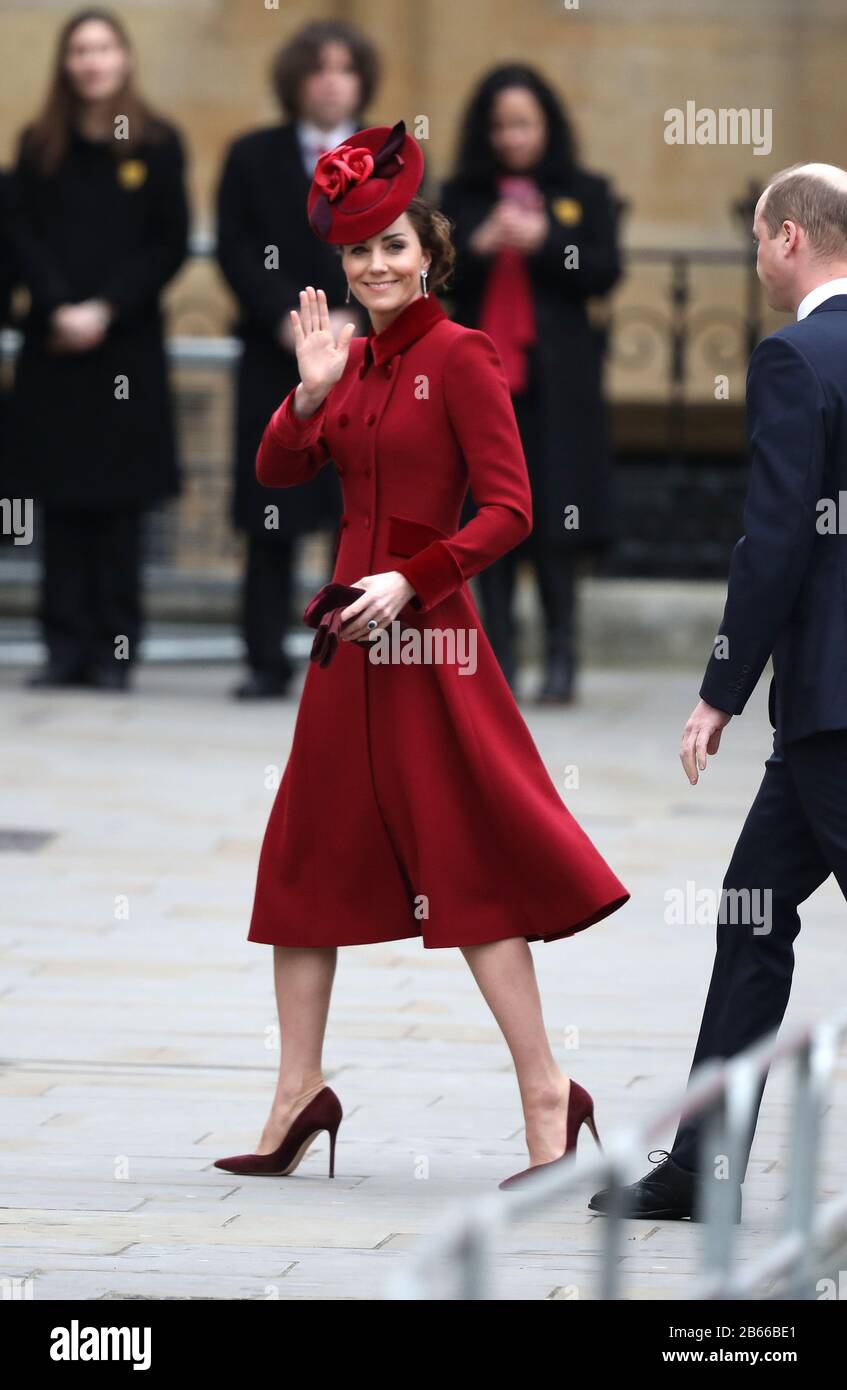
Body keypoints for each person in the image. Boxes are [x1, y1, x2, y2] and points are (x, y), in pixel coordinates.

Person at [214, 121, 630, 1185]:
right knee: (302, 866)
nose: (374, 266)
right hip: (345, 647)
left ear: (429, 253)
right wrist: (306, 394)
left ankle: (547, 1091)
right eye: (358, 253)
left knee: (471, 870)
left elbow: (511, 510)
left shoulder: (463, 354)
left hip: (428, 642)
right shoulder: (346, 359)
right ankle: (295, 1092)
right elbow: (274, 472)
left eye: (392, 246)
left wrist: (416, 579)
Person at [590, 163, 847, 1223]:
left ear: (789, 237)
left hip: (834, 707)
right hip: (821, 723)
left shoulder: (794, 357)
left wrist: (718, 691)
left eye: (754, 237)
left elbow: (775, 539)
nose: (751, 258)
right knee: (750, 914)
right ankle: (702, 1164)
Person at [7, 7, 189, 690]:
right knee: (57, 504)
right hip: (53, 349)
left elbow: (165, 243)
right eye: (80, 49)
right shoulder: (38, 145)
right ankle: (64, 647)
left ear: (125, 59)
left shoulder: (156, 145)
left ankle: (115, 651)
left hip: (125, 349)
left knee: (118, 506)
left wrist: (106, 309)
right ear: (66, 62)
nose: (92, 61)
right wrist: (58, 306)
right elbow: (21, 235)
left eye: (104, 48)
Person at [440, 66, 622, 700]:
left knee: (555, 517)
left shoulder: (583, 191)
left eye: (523, 124)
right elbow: (432, 280)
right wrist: (481, 244)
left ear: (546, 125)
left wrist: (549, 241)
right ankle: (499, 661)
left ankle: (563, 656)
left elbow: (603, 272)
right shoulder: (461, 196)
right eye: (500, 126)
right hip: (481, 382)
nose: (512, 137)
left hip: (557, 384)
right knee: (489, 514)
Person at [216, 20, 373, 700]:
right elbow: (235, 248)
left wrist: (358, 322)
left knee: (358, 509)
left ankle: (357, 655)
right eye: (318, 69)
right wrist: (288, 320)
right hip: (274, 357)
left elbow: (412, 249)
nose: (331, 80)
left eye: (344, 68)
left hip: (364, 362)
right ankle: (263, 660)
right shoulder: (252, 156)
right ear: (295, 81)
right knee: (270, 509)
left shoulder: (389, 159)